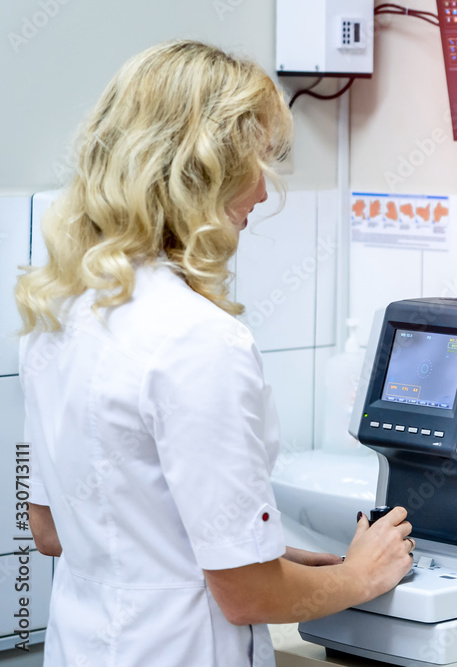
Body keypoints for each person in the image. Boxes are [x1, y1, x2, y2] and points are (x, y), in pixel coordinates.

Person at [15, 41, 414, 667]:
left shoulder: (58, 313)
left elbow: (54, 529)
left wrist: (255, 550)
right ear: (197, 172)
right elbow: (245, 595)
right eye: (252, 160)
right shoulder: (198, 339)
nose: (262, 189)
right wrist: (359, 575)